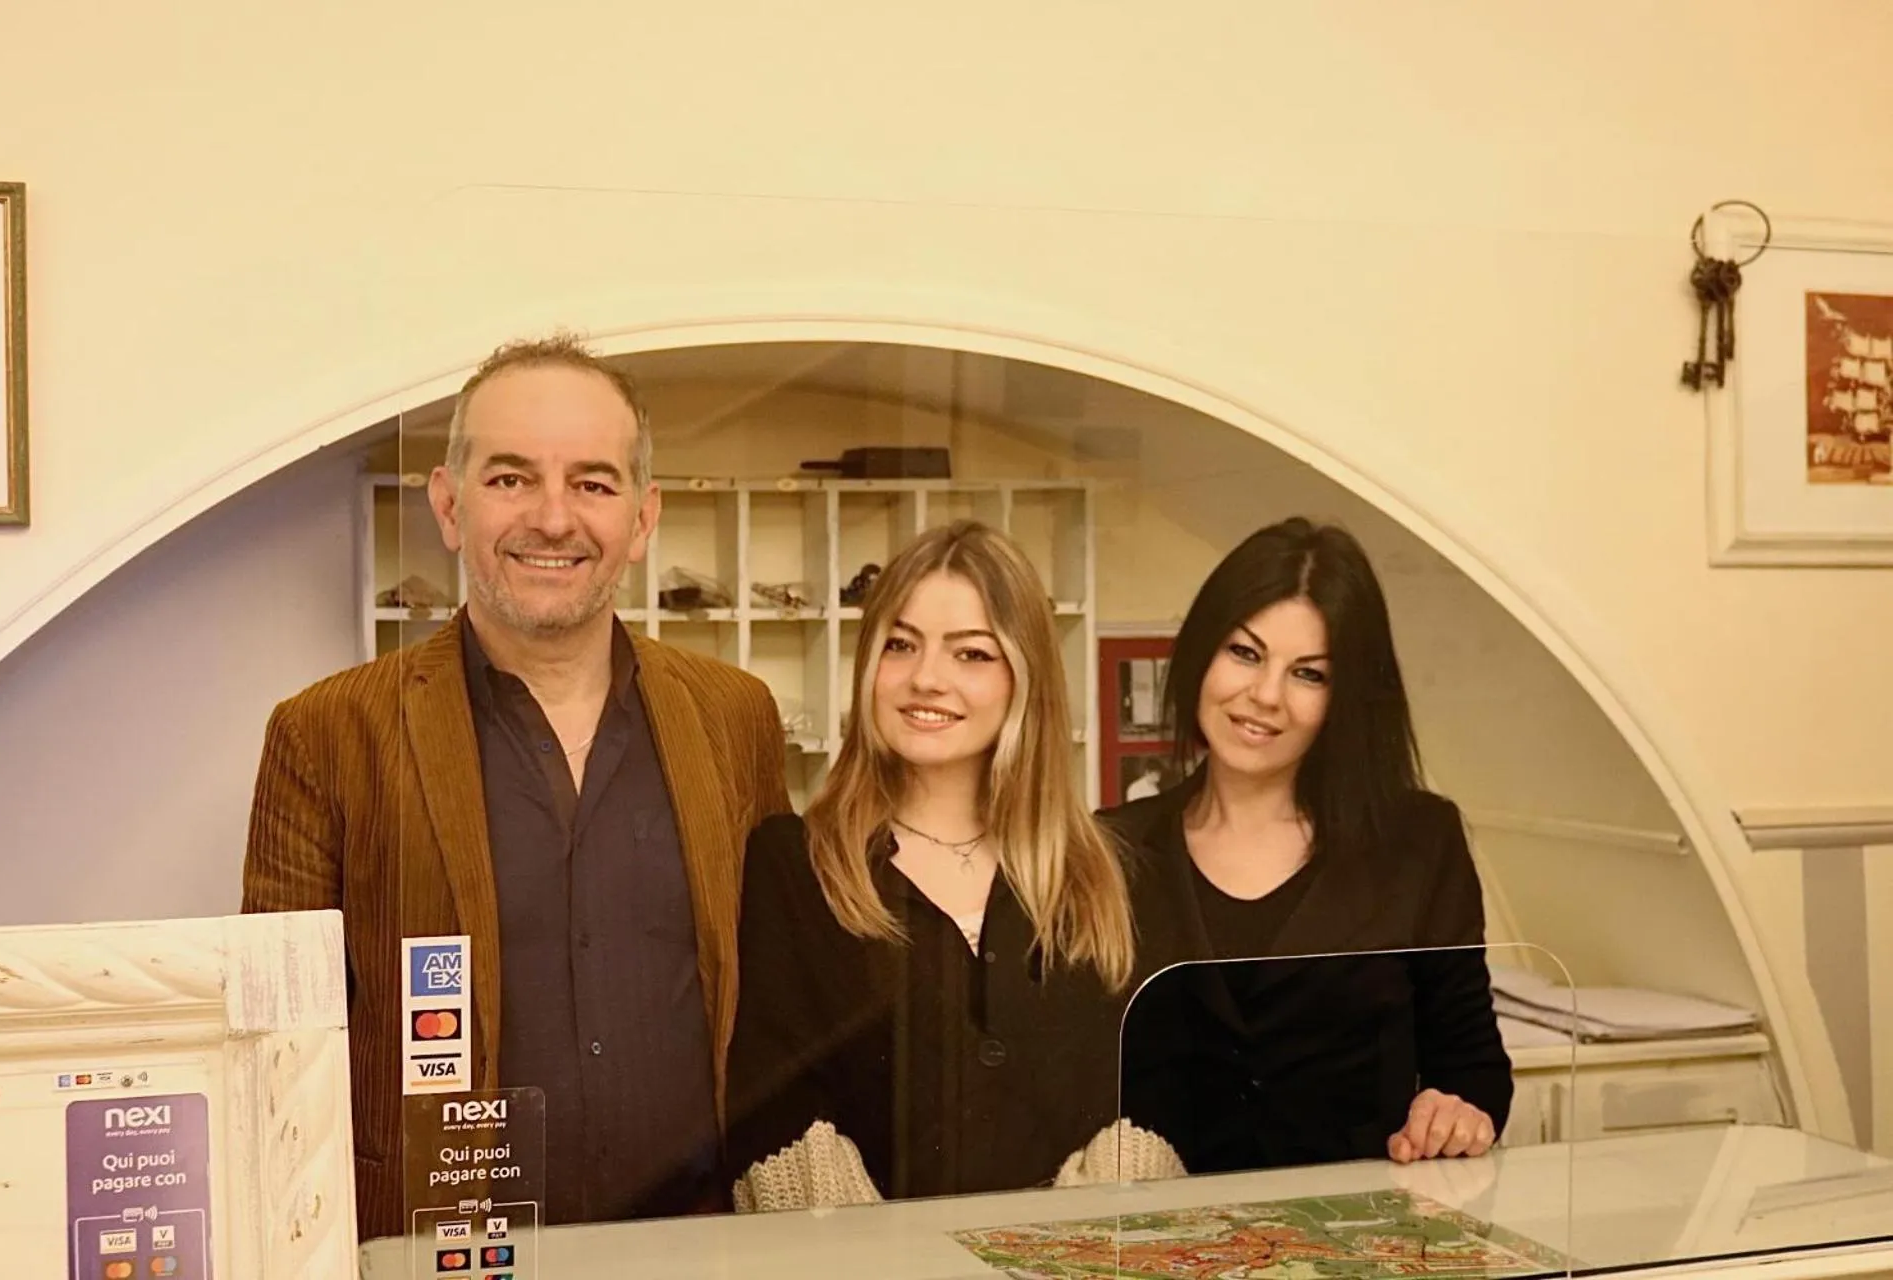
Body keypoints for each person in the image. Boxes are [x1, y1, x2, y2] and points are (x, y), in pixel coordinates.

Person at [240, 334, 790, 1239]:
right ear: (450, 506)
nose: (553, 517)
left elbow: (774, 1001)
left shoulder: (736, 718)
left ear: (643, 519)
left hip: (701, 1246)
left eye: (593, 482)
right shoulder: (327, 734)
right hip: (439, 1252)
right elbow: (279, 1054)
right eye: (510, 478)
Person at [723, 521, 1179, 1211]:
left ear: (1024, 678)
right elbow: (777, 1117)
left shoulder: (1108, 875)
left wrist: (1054, 1253)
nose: (926, 679)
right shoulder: (796, 865)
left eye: (971, 653)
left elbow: (1151, 1104)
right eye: (900, 645)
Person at [1103, 516, 1512, 1175]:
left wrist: (1458, 1111)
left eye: (1309, 675)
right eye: (1244, 653)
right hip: (1158, 1255)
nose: (1265, 696)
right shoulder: (1109, 849)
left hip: (1355, 1247)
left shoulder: (1418, 841)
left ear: (1348, 696)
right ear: (1201, 652)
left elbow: (1471, 1066)